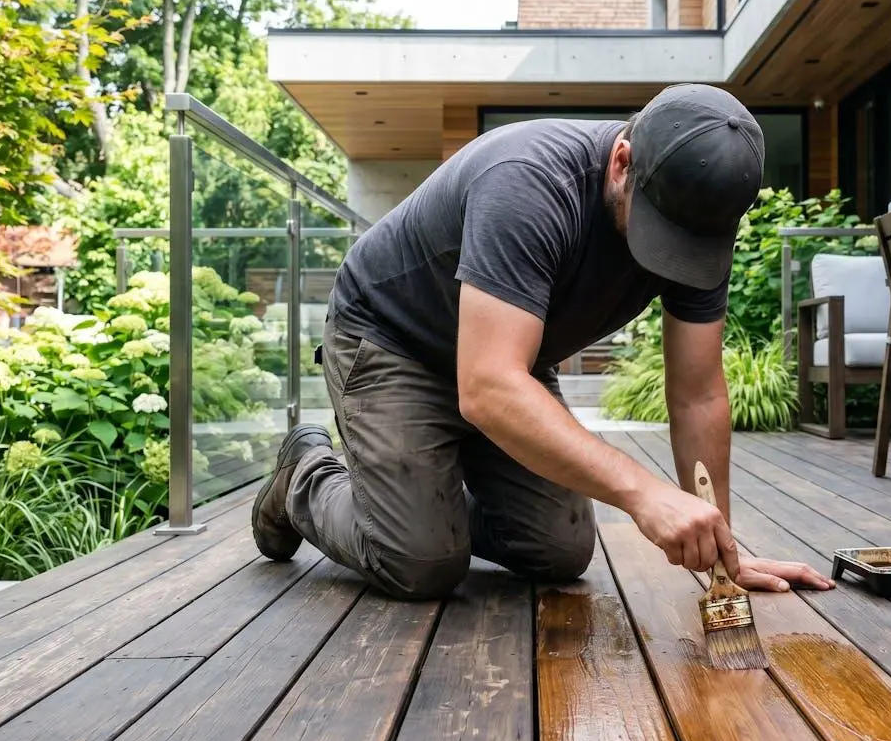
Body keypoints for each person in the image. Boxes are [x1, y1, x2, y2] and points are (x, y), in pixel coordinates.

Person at [250, 83, 834, 600]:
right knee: (420, 563)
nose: (670, 259)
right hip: (392, 340)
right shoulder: (527, 181)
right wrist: (644, 492)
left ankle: (420, 503)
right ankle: (305, 471)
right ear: (622, 161)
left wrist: (720, 551)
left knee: (557, 550)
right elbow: (488, 388)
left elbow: (698, 394)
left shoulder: (701, 218)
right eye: (660, 233)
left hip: (510, 360)